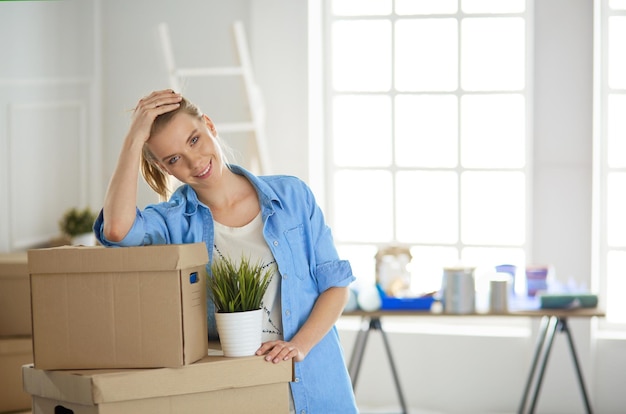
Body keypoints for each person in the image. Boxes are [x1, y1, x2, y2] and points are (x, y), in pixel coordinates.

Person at [94, 89, 358, 413]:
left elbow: (336, 285)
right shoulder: (174, 223)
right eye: (174, 159)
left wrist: (297, 347)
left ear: (209, 125)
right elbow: (116, 230)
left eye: (194, 140)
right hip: (236, 393)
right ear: (164, 169)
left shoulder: (292, 197)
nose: (194, 161)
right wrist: (133, 140)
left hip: (316, 386)